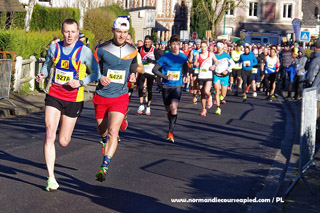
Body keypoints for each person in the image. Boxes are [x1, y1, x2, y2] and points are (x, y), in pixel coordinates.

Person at [36, 19, 99, 191]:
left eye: (73, 31)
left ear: (78, 32)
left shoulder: (84, 52)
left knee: (63, 141)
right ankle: (51, 177)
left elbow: (96, 74)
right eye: (66, 31)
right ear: (62, 32)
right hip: (54, 94)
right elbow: (47, 64)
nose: (70, 35)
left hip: (73, 99)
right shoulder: (54, 48)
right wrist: (42, 74)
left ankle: (64, 139)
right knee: (50, 134)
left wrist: (80, 82)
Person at [93, 16, 137, 182]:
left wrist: (133, 74)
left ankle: (104, 166)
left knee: (113, 132)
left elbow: (133, 63)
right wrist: (100, 77)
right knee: (102, 131)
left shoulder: (132, 50)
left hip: (120, 95)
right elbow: (92, 66)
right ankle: (104, 140)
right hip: (102, 95)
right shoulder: (102, 49)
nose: (122, 35)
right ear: (113, 31)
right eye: (119, 32)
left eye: (125, 32)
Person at [151, 34, 188, 142]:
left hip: (178, 85)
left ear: (180, 45)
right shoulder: (165, 57)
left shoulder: (183, 56)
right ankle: (171, 117)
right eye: (173, 44)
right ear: (170, 45)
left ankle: (170, 132)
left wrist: (185, 75)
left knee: (174, 106)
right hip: (166, 86)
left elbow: (185, 66)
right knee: (168, 108)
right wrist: (165, 76)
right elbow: (154, 70)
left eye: (177, 44)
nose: (175, 46)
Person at [193, 40, 219, 116]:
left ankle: (210, 96)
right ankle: (204, 109)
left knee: (206, 90)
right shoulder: (198, 55)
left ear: (207, 47)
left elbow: (216, 61)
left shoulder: (211, 54)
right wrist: (195, 64)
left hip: (208, 76)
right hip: (201, 75)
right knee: (202, 94)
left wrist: (214, 66)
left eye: (204, 46)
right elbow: (194, 64)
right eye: (202, 47)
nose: (203, 48)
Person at [137, 35, 156, 115]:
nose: (147, 43)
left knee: (149, 89)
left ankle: (148, 106)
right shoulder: (140, 49)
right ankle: (141, 104)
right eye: (145, 42)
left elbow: (159, 62)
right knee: (140, 87)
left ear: (151, 42)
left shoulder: (154, 50)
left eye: (148, 42)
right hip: (143, 70)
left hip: (151, 72)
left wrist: (151, 61)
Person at [213, 42, 234, 115]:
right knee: (217, 90)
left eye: (220, 47)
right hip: (216, 75)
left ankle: (222, 97)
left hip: (224, 76)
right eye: (217, 47)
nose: (218, 48)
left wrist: (227, 70)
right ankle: (218, 108)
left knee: (223, 93)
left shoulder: (226, 55)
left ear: (222, 48)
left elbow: (232, 64)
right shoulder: (214, 55)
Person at [189, 39, 201, 104]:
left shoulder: (203, 51)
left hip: (202, 69)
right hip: (195, 68)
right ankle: (194, 96)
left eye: (199, 44)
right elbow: (190, 60)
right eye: (197, 44)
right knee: (194, 81)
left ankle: (200, 91)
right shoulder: (192, 51)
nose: (198, 45)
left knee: (201, 83)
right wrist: (194, 62)